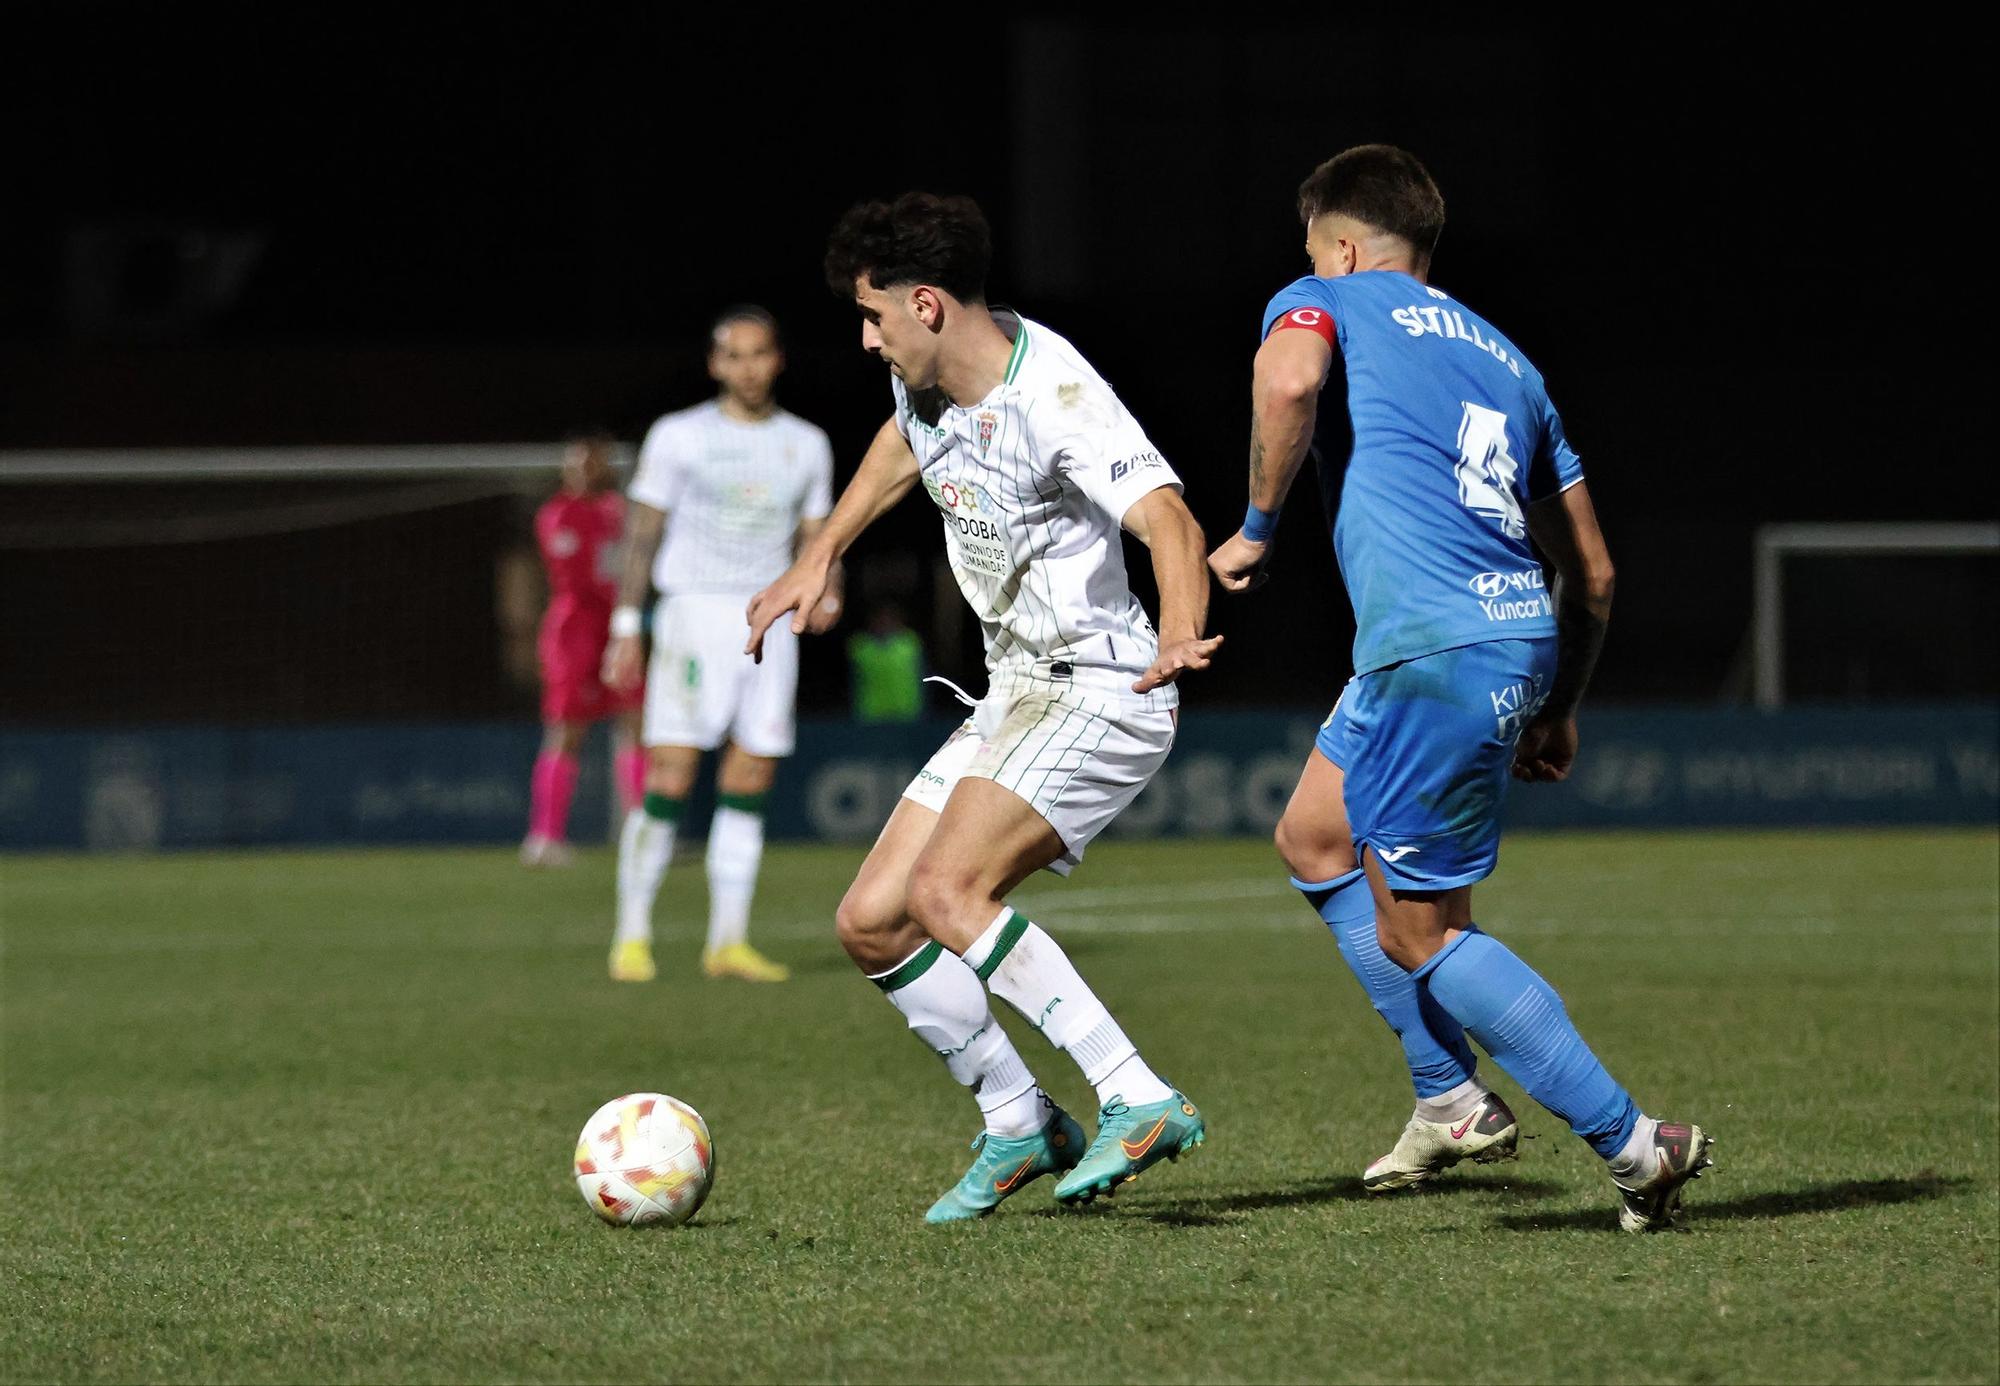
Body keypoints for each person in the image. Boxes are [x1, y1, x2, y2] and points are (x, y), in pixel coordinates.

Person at [1208, 145, 1714, 1232]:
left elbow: (1287, 380)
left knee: (1421, 932)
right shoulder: (1510, 361)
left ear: (1341, 247)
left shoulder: (1319, 300)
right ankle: (1447, 1097)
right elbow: (1595, 574)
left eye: (1315, 252)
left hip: (1428, 652)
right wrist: (1560, 700)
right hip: (1498, 636)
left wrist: (1254, 529)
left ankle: (1634, 1144)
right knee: (1312, 837)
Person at [747, 193, 1220, 1222]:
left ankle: (1135, 1096)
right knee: (871, 923)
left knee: (948, 891)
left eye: (874, 318)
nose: (865, 338)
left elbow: (1169, 520)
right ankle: (1018, 1120)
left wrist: (1179, 631)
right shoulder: (926, 388)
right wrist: (816, 553)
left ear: (925, 305)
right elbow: (897, 447)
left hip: (1102, 687)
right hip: (1016, 692)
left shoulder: (1053, 394)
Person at [601, 306, 837, 984]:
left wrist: (829, 586)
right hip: (692, 614)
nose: (748, 367)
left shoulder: (806, 443)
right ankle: (633, 935)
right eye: (734, 356)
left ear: (778, 359)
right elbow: (642, 535)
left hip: (767, 619)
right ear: (714, 364)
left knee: (750, 777)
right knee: (671, 773)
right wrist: (626, 626)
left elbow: (818, 538)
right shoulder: (679, 436)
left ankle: (727, 941)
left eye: (759, 353)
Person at [522, 436, 645, 867]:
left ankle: (642, 830)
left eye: (592, 463)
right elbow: (578, 576)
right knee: (567, 729)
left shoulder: (618, 510)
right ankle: (545, 836)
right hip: (574, 630)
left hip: (615, 627)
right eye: (576, 464)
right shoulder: (559, 514)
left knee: (634, 721)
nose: (584, 471)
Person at [846, 601, 924, 723]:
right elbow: (852, 679)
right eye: (880, 619)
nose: (885, 623)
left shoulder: (910, 642)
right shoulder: (859, 645)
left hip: (906, 711)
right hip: (870, 712)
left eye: (889, 619)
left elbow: (923, 676)